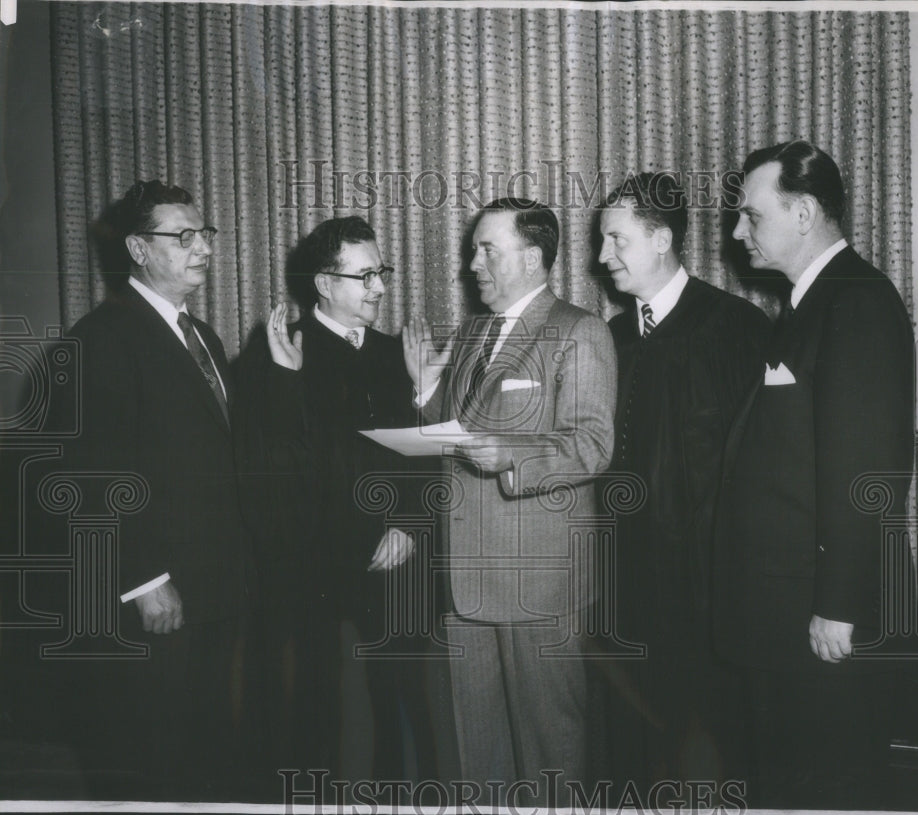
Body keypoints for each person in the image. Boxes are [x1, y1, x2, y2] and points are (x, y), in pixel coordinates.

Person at [713, 140, 915, 808]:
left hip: (817, 619)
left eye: (750, 214)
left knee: (823, 785)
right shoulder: (809, 304)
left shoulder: (855, 301)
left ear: (803, 213)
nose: (738, 231)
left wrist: (839, 603)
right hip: (784, 612)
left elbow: (867, 470)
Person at [402, 198, 617, 804]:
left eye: (487, 249)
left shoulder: (580, 331)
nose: (473, 264)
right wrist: (425, 393)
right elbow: (457, 434)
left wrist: (516, 456)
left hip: (538, 581)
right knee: (479, 756)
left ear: (532, 256)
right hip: (465, 579)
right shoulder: (472, 332)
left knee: (551, 752)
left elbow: (593, 444)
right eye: (474, 249)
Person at [61, 179, 255, 799]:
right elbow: (93, 474)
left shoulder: (205, 338)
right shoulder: (103, 338)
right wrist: (143, 580)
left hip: (213, 586)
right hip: (157, 593)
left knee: (205, 751)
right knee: (154, 759)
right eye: (184, 236)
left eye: (205, 235)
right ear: (140, 250)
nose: (202, 248)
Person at [235, 216, 435, 784]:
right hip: (320, 579)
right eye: (364, 275)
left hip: (398, 572)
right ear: (325, 283)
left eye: (382, 272)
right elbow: (274, 475)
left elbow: (429, 456)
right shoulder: (277, 355)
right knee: (326, 730)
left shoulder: (400, 353)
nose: (379, 287)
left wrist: (407, 523)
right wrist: (285, 384)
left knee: (399, 721)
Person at [596, 172, 768, 795]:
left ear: (661, 237)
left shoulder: (735, 329)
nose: (601, 256)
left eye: (616, 240)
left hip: (709, 596)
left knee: (716, 764)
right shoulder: (610, 338)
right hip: (627, 590)